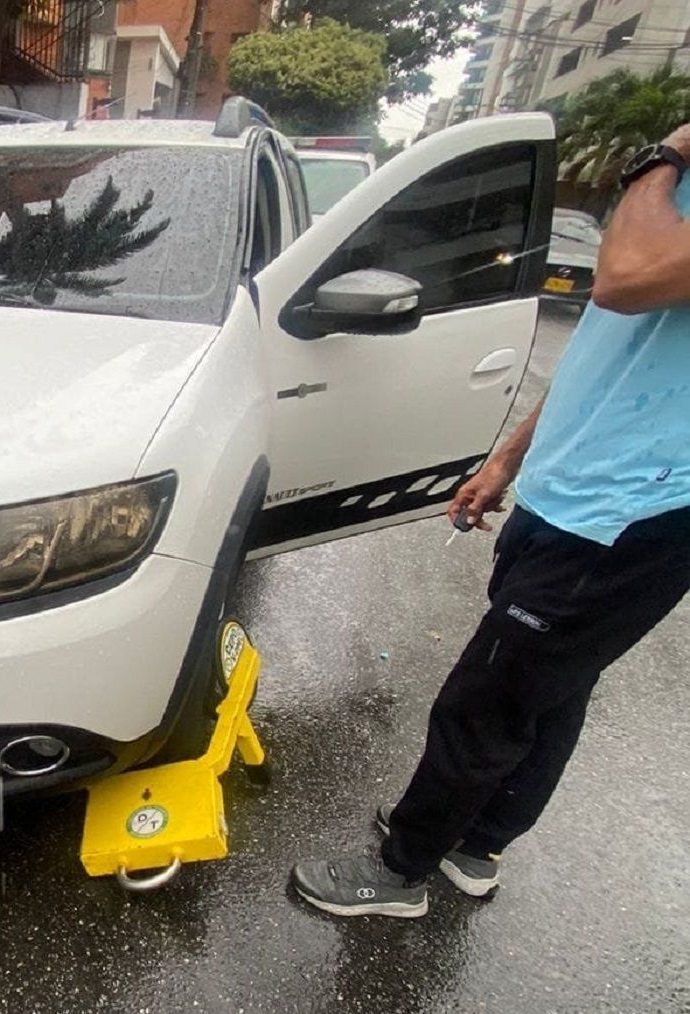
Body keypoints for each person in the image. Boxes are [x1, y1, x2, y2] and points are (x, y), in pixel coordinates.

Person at [291, 123, 690, 919]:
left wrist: (664, 153)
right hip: (570, 494)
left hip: (633, 516)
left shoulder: (661, 194)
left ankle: (400, 871)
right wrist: (508, 457)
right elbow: (605, 357)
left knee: (488, 698)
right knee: (550, 687)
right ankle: (475, 840)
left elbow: (623, 280)